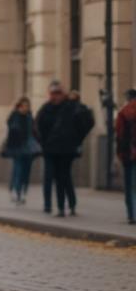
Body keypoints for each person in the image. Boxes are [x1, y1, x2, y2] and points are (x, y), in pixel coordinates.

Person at [36, 80, 95, 217]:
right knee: (57, 177)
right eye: (53, 93)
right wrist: (43, 142)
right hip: (50, 149)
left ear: (64, 94)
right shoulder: (45, 109)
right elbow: (37, 127)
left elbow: (88, 121)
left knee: (64, 176)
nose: (55, 96)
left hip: (66, 149)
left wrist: (76, 139)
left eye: (58, 93)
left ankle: (70, 204)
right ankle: (61, 206)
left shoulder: (72, 107)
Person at [2, 96, 39, 204]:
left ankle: (23, 191)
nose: (25, 108)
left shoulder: (30, 117)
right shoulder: (14, 117)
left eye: (27, 106)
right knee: (18, 169)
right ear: (18, 107)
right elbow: (12, 130)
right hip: (17, 147)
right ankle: (16, 191)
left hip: (29, 148)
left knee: (26, 171)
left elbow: (34, 132)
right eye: (23, 106)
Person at [115, 89, 136, 224]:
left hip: (130, 154)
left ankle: (132, 214)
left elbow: (120, 134)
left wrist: (121, 154)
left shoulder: (124, 112)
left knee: (130, 185)